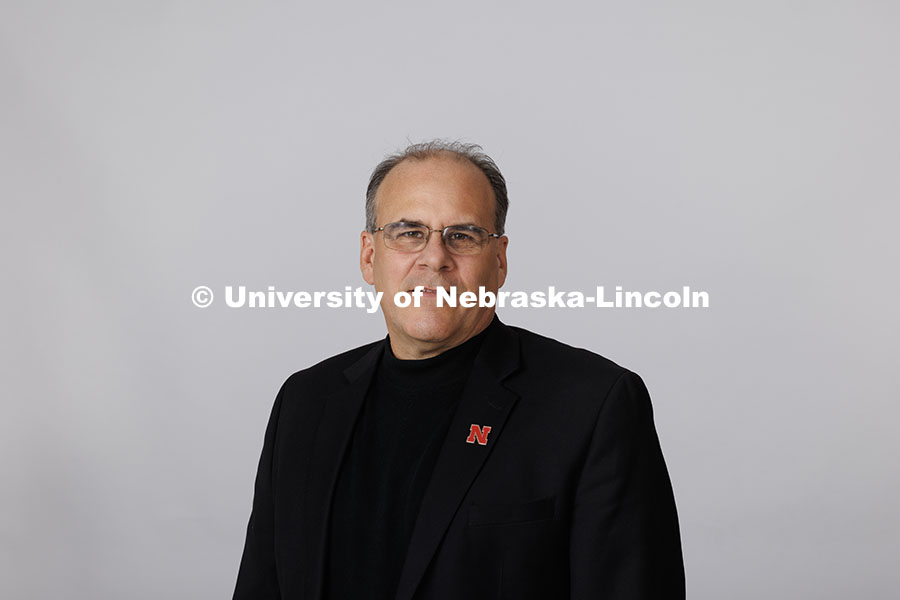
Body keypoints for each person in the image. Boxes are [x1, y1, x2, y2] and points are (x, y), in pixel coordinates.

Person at [233, 140, 685, 600]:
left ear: (500, 260)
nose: (435, 258)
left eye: (463, 235)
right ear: (370, 257)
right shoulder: (305, 401)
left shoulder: (592, 406)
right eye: (409, 232)